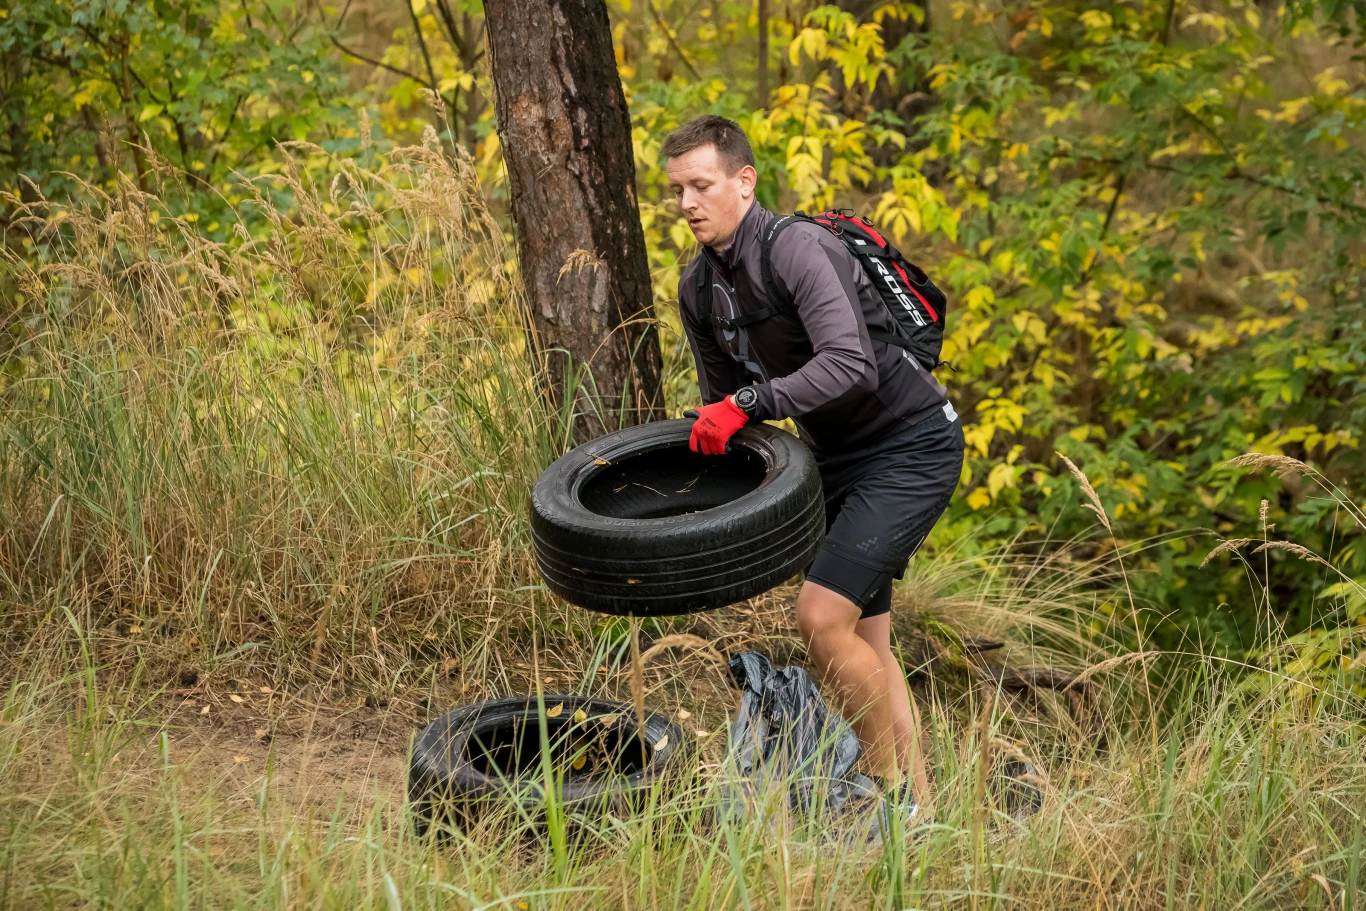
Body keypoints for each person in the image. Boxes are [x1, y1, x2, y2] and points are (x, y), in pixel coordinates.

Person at [665, 115, 964, 814]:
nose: (686, 204)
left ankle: (887, 798)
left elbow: (850, 364)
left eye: (701, 185)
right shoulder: (698, 290)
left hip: (912, 445)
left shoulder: (798, 249)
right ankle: (922, 816)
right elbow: (725, 413)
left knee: (822, 617)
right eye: (676, 190)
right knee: (863, 641)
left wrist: (751, 399)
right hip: (832, 461)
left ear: (744, 182)